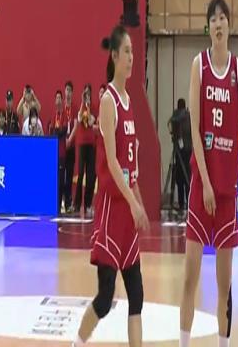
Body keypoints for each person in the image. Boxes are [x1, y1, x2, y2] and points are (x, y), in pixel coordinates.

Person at [180, 0, 238, 347]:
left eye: (222, 18)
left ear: (229, 25)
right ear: (207, 27)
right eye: (212, 18)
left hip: (227, 192)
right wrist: (206, 183)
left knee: (224, 286)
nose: (218, 23)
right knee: (189, 279)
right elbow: (195, 130)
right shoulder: (198, 66)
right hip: (203, 189)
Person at [73, 24, 149, 347]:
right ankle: (77, 343)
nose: (132, 57)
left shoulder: (129, 101)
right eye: (127, 52)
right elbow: (114, 163)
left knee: (137, 295)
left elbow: (132, 168)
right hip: (110, 210)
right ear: (115, 56)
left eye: (133, 51)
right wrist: (133, 203)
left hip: (128, 212)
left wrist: (139, 204)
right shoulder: (109, 100)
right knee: (105, 297)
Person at [75, 84, 97, 216]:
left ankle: (88, 204)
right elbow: (79, 119)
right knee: (80, 174)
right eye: (85, 93)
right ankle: (77, 204)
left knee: (90, 175)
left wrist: (88, 106)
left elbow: (90, 122)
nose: (87, 96)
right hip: (82, 144)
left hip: (91, 144)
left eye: (88, 93)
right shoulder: (81, 107)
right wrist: (82, 103)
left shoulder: (93, 107)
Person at [168, 98, 192, 217]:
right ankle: (189, 203)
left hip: (179, 152)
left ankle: (181, 204)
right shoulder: (188, 116)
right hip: (188, 152)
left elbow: (171, 128)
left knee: (179, 179)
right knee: (188, 178)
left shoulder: (175, 117)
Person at [49, 90, 67, 215]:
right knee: (54, 179)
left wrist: (57, 131)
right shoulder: (53, 114)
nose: (58, 100)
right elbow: (51, 130)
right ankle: (53, 204)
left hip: (61, 152)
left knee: (61, 180)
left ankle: (60, 204)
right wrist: (56, 131)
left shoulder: (64, 115)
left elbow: (63, 131)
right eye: (57, 98)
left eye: (60, 98)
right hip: (53, 152)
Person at [63, 80, 78, 214]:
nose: (68, 93)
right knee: (61, 175)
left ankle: (68, 203)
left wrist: (70, 140)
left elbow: (75, 125)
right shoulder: (61, 107)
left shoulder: (74, 108)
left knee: (69, 175)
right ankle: (61, 202)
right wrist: (64, 140)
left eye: (70, 91)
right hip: (62, 146)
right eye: (66, 90)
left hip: (71, 145)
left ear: (72, 93)